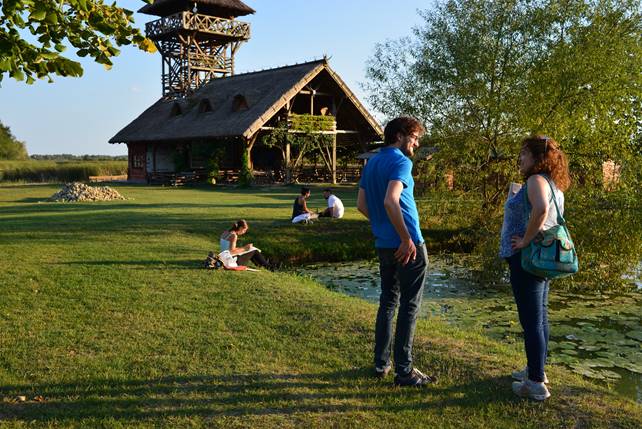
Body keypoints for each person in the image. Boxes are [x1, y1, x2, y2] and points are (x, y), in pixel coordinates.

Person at [357, 116, 434, 387]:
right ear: (400, 136)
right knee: (409, 306)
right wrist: (404, 237)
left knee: (388, 302)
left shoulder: (373, 162)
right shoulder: (402, 162)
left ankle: (381, 363)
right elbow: (391, 200)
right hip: (408, 244)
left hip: (384, 244)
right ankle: (405, 371)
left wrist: (382, 227)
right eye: (414, 137)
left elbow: (362, 205)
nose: (417, 142)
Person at [500, 135, 571, 401]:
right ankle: (536, 368)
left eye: (524, 153)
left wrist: (526, 240)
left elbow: (541, 210)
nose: (520, 158)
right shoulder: (552, 184)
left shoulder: (536, 180)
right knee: (539, 317)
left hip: (528, 258)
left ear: (538, 158)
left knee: (531, 321)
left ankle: (536, 383)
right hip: (542, 258)